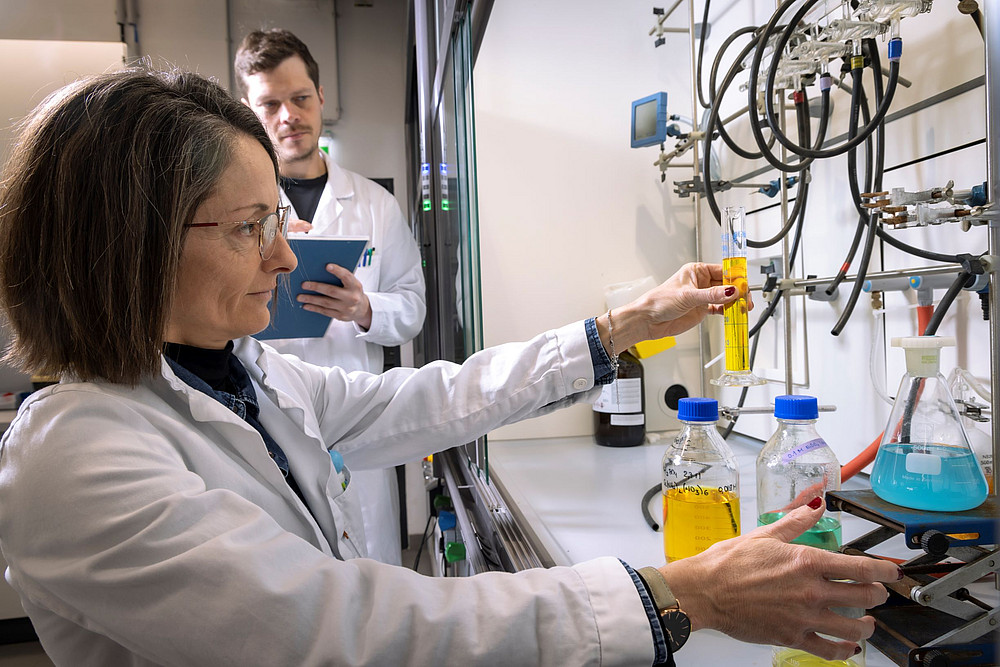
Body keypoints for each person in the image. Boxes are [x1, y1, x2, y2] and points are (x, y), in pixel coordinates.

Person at [0, 68, 898, 667]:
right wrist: (675, 592)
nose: (282, 259)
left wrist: (621, 325)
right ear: (129, 245)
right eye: (250, 228)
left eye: (276, 222)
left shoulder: (235, 369)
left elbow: (421, 394)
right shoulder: (77, 455)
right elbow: (339, 625)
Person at [234, 28, 426, 565]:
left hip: (357, 419)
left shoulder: (374, 204)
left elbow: (411, 306)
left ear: (321, 99)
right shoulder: (234, 209)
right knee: (293, 582)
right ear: (250, 112)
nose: (288, 115)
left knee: (375, 575)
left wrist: (366, 309)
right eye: (270, 103)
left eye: (299, 98)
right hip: (266, 418)